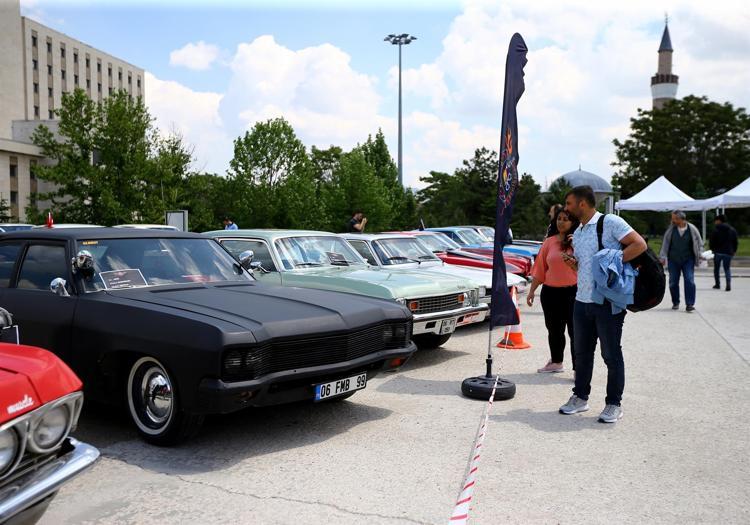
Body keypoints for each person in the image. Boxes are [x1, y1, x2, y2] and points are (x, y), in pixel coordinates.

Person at [558, 185, 647, 424]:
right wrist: (575, 265)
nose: (566, 208)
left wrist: (614, 260)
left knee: (611, 354)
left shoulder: (610, 222)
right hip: (581, 300)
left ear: (582, 204)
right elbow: (588, 266)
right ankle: (580, 397)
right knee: (581, 354)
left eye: (569, 204)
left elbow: (639, 244)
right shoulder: (578, 232)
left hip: (607, 302)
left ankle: (613, 404)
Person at [526, 208, 580, 374]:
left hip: (573, 293)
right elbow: (540, 268)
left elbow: (587, 267)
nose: (561, 222)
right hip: (550, 293)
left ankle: (579, 368)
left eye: (565, 219)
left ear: (573, 223)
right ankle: (556, 362)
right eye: (559, 218)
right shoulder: (549, 242)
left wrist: (575, 245)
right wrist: (531, 291)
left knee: (575, 331)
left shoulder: (579, 241)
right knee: (554, 330)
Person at [659, 211, 703, 312]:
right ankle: (676, 302)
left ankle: (690, 304)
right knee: (673, 282)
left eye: (674, 218)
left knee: (689, 280)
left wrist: (700, 253)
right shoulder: (671, 230)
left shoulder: (692, 229)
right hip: (673, 260)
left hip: (688, 259)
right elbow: (665, 244)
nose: (672, 220)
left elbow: (699, 242)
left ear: (680, 219)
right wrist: (662, 257)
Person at [709, 214, 738, 291]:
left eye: (715, 220)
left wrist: (712, 249)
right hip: (728, 252)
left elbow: (712, 241)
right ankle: (728, 284)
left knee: (716, 269)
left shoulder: (716, 230)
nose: (715, 222)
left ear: (719, 220)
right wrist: (734, 250)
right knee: (727, 268)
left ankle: (717, 284)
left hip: (718, 252)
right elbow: (735, 241)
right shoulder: (732, 230)